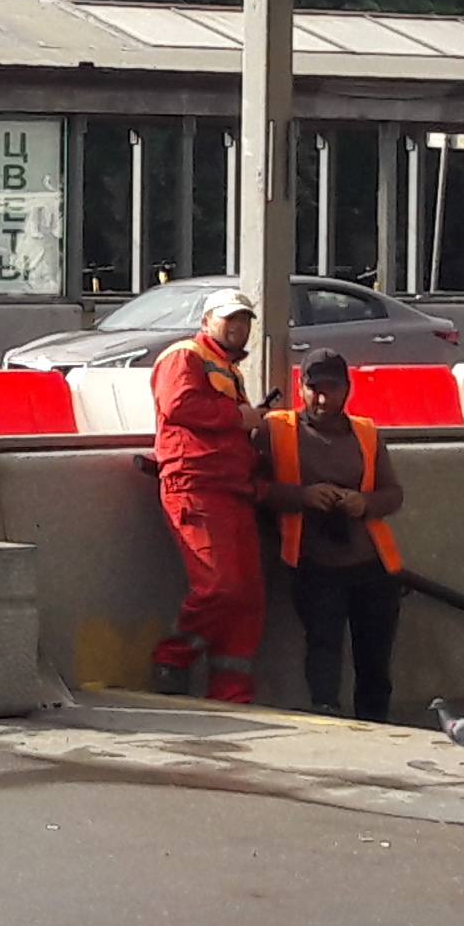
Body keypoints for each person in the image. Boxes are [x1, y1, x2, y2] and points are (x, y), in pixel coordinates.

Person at [259, 348, 407, 723]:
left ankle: (376, 726)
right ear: (301, 388)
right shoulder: (277, 429)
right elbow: (254, 488)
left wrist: (363, 502)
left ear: (347, 390)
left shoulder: (366, 433)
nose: (322, 399)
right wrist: (303, 496)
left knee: (375, 660)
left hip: (371, 564)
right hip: (314, 564)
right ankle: (328, 719)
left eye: (332, 389)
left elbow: (393, 494)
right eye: (314, 390)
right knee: (323, 649)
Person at [146, 284, 266, 702]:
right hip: (195, 486)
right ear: (206, 321)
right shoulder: (185, 355)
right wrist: (240, 417)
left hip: (231, 490)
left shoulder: (225, 368)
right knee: (222, 588)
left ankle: (232, 692)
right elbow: (178, 406)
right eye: (229, 318)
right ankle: (172, 659)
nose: (238, 326)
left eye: (244, 319)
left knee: (247, 597)